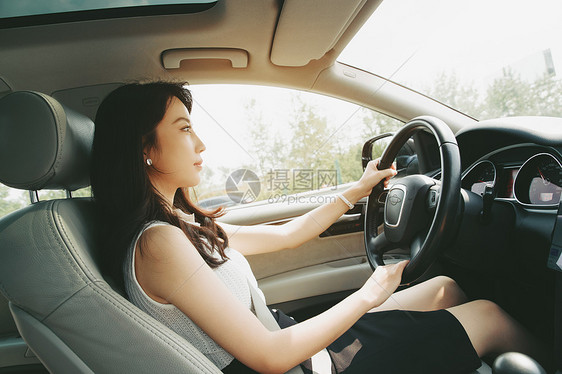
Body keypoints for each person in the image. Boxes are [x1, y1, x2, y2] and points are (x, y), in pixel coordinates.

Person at [91, 81, 545, 374]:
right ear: (145, 149)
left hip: (300, 349)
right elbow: (268, 358)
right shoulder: (158, 243)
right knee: (489, 316)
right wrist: (370, 292)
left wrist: (359, 189)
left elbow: (288, 235)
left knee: (445, 287)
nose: (201, 143)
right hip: (304, 367)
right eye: (184, 129)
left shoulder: (180, 227)